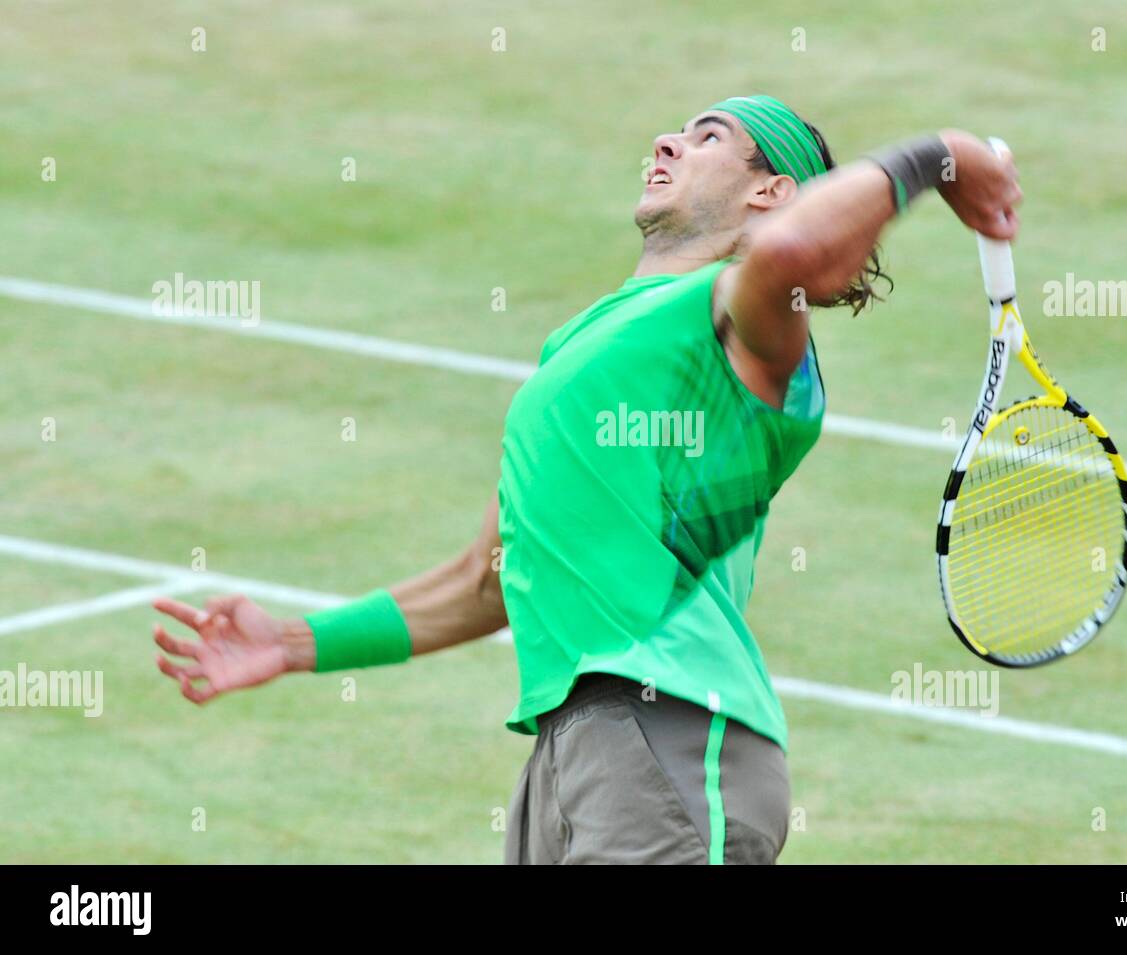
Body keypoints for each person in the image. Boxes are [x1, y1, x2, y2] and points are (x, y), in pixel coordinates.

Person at [151, 95, 1021, 864]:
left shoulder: (742, 314)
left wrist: (941, 154)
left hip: (673, 735)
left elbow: (794, 252)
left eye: (709, 136)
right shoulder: (579, 347)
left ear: (770, 189)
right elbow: (486, 580)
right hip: (572, 756)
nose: (668, 141)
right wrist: (298, 643)